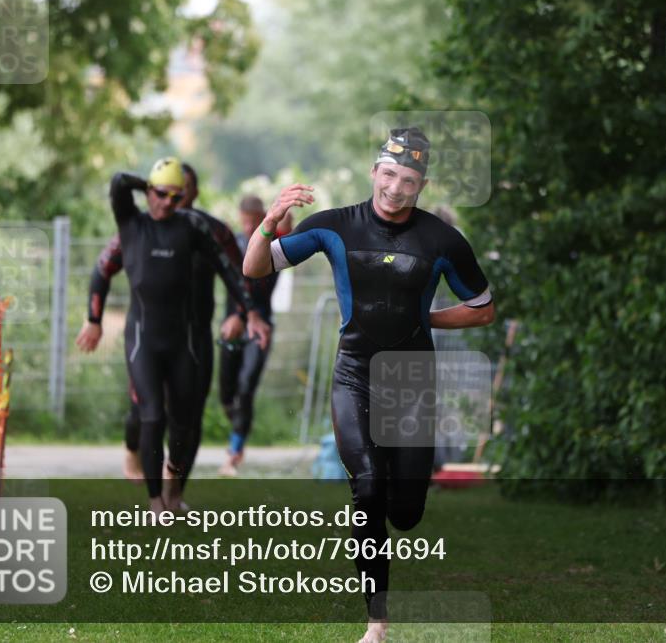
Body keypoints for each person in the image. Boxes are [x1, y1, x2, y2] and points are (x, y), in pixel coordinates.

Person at [243, 128, 495, 643]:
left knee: (404, 512)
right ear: (374, 172)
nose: (395, 188)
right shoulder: (335, 226)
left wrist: (425, 320)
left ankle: (399, 513)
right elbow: (255, 268)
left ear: (420, 184)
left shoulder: (441, 241)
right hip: (355, 372)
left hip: (411, 381)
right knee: (368, 487)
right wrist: (270, 222)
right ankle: (376, 624)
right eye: (389, 175)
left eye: (408, 180)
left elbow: (484, 308)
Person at [99, 157, 269, 514]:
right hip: (146, 338)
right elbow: (104, 265)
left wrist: (245, 312)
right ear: (152, 190)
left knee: (186, 416)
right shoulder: (136, 225)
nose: (170, 201)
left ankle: (174, 494)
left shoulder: (203, 228)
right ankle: (152, 496)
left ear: (191, 192)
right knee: (147, 415)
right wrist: (92, 318)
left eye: (179, 194)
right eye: (163, 192)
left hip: (192, 337)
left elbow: (235, 270)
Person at [217, 196, 292, 476]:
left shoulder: (273, 245)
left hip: (261, 326)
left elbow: (289, 225)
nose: (249, 227)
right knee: (227, 394)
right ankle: (239, 426)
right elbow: (232, 281)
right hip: (232, 325)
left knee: (246, 387)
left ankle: (234, 451)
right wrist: (235, 315)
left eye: (254, 220)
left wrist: (284, 208)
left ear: (263, 217)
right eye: (245, 221)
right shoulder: (232, 242)